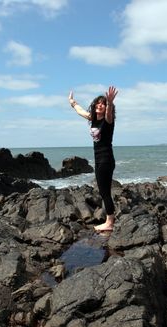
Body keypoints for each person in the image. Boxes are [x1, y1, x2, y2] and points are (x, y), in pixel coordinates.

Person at [68, 86, 118, 232]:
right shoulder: (93, 119)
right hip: (99, 160)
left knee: (104, 192)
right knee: (104, 190)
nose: (100, 105)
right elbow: (80, 111)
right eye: (98, 103)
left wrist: (109, 102)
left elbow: (108, 113)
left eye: (102, 103)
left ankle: (109, 223)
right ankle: (110, 219)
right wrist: (72, 102)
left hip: (106, 159)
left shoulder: (108, 121)